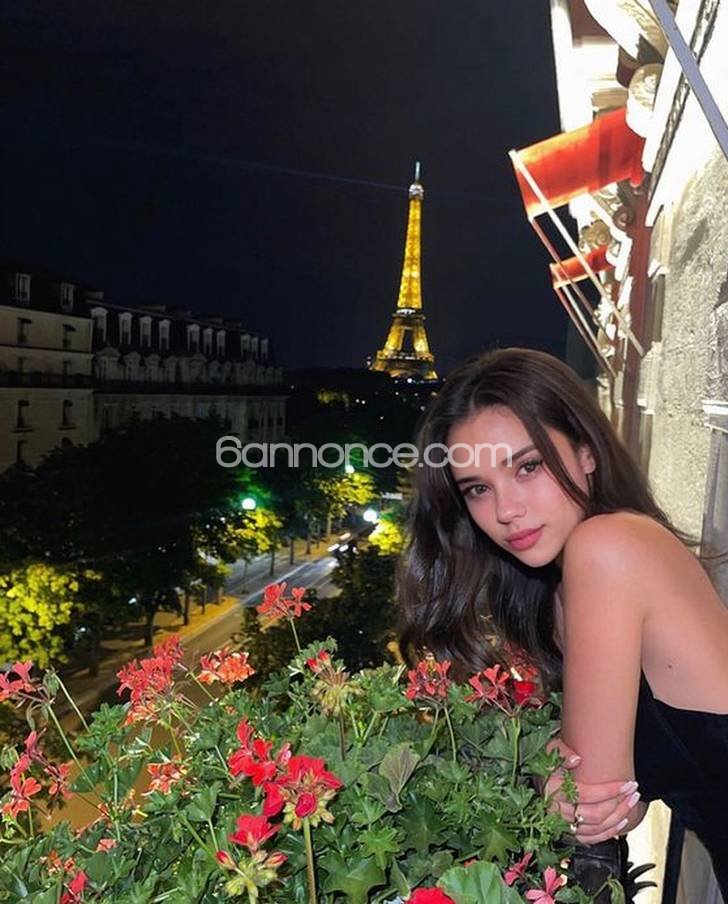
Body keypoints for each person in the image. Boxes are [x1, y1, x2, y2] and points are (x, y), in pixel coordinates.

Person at [397, 347, 728, 895]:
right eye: (478, 488)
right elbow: (614, 804)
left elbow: (587, 797)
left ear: (586, 451)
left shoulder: (607, 547)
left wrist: (555, 768)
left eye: (528, 467)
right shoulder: (559, 590)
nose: (506, 510)